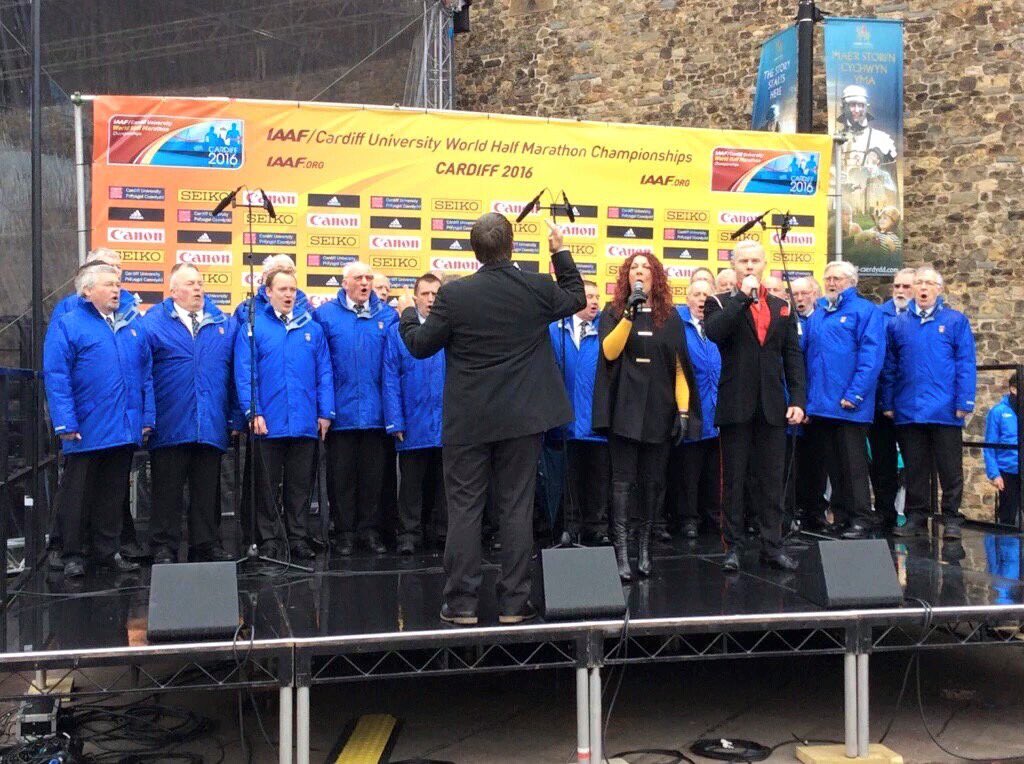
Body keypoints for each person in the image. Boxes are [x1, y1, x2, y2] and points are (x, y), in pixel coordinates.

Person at [398, 213, 585, 625]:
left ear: (474, 250)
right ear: (512, 245)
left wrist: (408, 314)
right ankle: (514, 605)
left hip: (469, 423)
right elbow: (575, 296)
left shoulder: (455, 296)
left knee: (464, 510)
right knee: (516, 509)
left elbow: (420, 346)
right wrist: (560, 251)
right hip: (521, 420)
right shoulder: (535, 287)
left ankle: (462, 604)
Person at [593, 252, 698, 581]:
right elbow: (610, 351)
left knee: (653, 484)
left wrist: (683, 412)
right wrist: (629, 314)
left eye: (646, 268)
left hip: (659, 409)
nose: (640, 272)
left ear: (656, 276)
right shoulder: (614, 312)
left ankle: (645, 550)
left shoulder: (671, 316)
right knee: (623, 484)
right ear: (627, 276)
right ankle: (621, 553)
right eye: (634, 268)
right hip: (625, 410)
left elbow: (681, 367)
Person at [43, 263, 153, 577]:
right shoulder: (68, 324)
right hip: (86, 427)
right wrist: (65, 423)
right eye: (108, 284)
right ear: (87, 291)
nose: (117, 289)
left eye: (118, 284)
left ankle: (109, 551)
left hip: (122, 426)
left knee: (112, 493)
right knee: (77, 494)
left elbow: (145, 375)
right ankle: (73, 554)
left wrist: (146, 417)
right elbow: (57, 376)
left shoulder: (131, 325)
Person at [704, 240, 805, 572]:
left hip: (773, 405)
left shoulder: (780, 305)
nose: (749, 266)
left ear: (765, 264)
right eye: (743, 261)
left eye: (755, 261)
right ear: (734, 266)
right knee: (733, 480)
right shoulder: (718, 301)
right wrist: (742, 298)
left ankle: (771, 545)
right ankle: (733, 546)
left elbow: (792, 355)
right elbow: (716, 333)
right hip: (736, 404)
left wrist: (798, 400)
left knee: (772, 480)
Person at [235, 265, 334, 559]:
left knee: (300, 486)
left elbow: (324, 372)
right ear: (269, 293)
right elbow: (245, 372)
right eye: (282, 289)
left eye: (292, 289)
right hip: (268, 421)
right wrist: (254, 411)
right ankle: (268, 539)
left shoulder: (312, 328)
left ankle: (298, 536)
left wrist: (325, 412)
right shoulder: (253, 327)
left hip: (304, 421)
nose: (289, 294)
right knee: (266, 486)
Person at [141, 263, 237, 564]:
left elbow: (235, 373)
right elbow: (142, 373)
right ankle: (163, 547)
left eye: (200, 282)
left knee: (207, 491)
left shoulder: (222, 322)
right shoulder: (152, 323)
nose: (198, 288)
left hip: (210, 421)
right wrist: (147, 417)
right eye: (190, 283)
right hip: (170, 421)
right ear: (173, 291)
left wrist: (234, 415)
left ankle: (205, 545)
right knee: (166, 490)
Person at [881, 267, 976, 539]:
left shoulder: (956, 321)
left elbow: (965, 363)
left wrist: (965, 400)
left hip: (945, 408)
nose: (923, 288)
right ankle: (916, 517)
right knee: (914, 467)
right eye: (919, 283)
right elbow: (890, 366)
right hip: (909, 408)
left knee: (950, 467)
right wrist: (888, 400)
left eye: (929, 283)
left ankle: (951, 517)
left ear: (939, 289)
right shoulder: (897, 324)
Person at [314, 261, 398, 555]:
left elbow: (393, 367)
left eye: (369, 278)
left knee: (374, 478)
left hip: (376, 414)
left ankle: (369, 531)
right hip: (342, 413)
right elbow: (321, 366)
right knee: (342, 478)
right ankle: (345, 533)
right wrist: (325, 410)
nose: (365, 283)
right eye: (359, 278)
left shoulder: (388, 317)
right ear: (344, 282)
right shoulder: (325, 316)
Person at [803, 261, 886, 538]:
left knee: (854, 467)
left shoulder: (865, 311)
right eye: (827, 278)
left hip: (849, 405)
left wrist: (856, 393)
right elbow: (806, 358)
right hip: (822, 405)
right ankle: (841, 516)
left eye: (837, 278)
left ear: (851, 281)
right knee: (834, 467)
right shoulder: (818, 315)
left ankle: (862, 517)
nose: (831, 283)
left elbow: (871, 357)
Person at [383, 273, 447, 554]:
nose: (431, 300)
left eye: (436, 294)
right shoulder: (398, 332)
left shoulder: (450, 330)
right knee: (410, 485)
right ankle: (409, 534)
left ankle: (441, 533)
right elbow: (390, 377)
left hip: (446, 423)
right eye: (426, 294)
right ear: (415, 297)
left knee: (444, 485)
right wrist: (395, 418)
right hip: (412, 421)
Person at [549, 280, 610, 546]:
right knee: (568, 479)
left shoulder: (606, 331)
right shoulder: (555, 331)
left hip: (596, 423)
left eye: (597, 297)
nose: (594, 302)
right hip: (566, 421)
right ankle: (570, 526)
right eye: (589, 296)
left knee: (597, 479)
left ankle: (596, 526)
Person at [868, 268, 916, 528]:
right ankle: (884, 509)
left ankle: (914, 514)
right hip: (880, 399)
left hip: (910, 400)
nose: (899, 291)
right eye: (896, 286)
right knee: (882, 459)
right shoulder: (878, 315)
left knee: (915, 460)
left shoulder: (925, 318)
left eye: (906, 287)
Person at [674, 280, 721, 539]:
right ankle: (688, 519)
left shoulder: (719, 324)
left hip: (718, 408)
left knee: (715, 472)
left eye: (706, 294)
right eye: (697, 294)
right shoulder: (678, 325)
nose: (702, 298)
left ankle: (713, 517)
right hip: (692, 406)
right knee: (688, 472)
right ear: (687, 298)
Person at [984, 373, 1020, 527]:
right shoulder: (998, 412)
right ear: (1013, 389)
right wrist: (994, 474)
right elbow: (989, 445)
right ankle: (1006, 551)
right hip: (1008, 473)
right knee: (1008, 521)